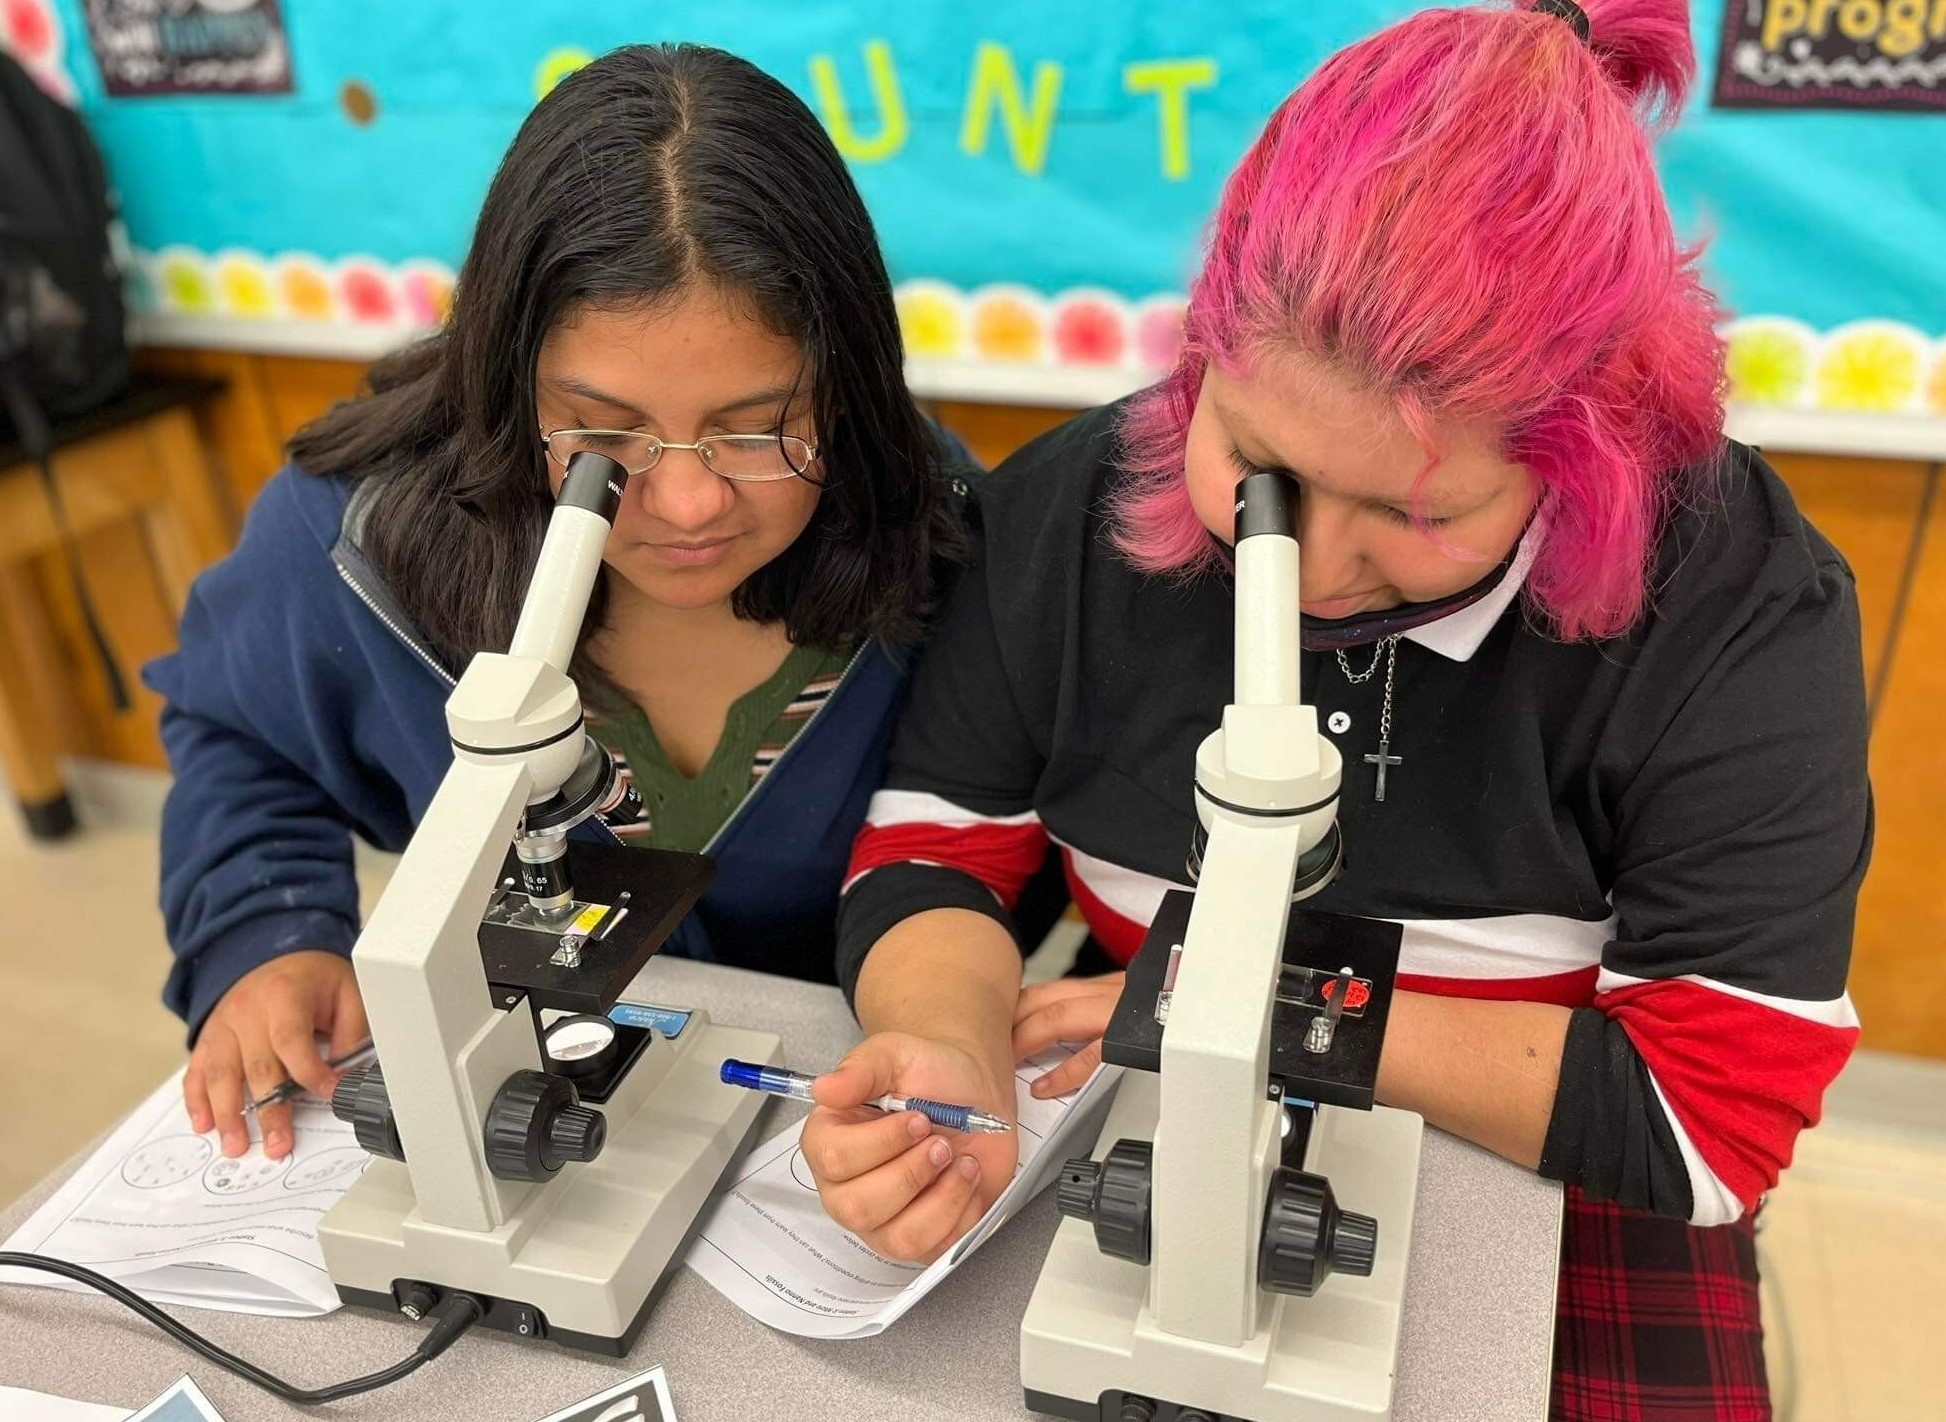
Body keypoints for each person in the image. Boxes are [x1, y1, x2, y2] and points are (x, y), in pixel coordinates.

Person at [806, 2, 1868, 1417]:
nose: (1299, 565)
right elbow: (938, 847)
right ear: (1205, 358)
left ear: (1588, 455)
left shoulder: (1738, 612)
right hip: (1157, 1084)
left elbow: (1702, 1118)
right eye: (1252, 462)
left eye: (1414, 512)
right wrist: (943, 1035)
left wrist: (1231, 1000)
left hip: (1553, 1166)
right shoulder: (1064, 515)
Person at [147, 44, 971, 1167]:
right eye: (602, 433)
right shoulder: (351, 538)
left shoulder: (943, 532)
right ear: (505, 383)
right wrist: (264, 936)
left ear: (848, 386)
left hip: (841, 1134)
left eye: (754, 426)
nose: (683, 502)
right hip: (538, 1107)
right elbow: (244, 737)